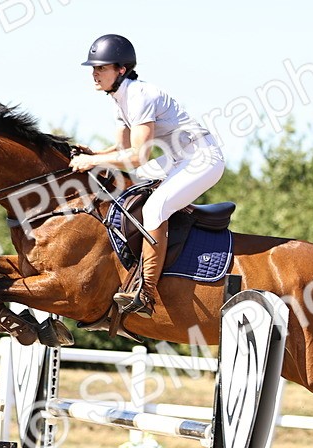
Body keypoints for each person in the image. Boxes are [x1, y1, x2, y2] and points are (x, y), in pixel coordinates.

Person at [69, 34, 225, 318]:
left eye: (100, 68)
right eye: (93, 68)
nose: (94, 73)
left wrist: (92, 161)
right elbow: (121, 149)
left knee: (153, 208)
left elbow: (138, 156)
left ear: (121, 70)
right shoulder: (119, 99)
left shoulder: (141, 96)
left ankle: (146, 292)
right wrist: (94, 154)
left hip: (202, 158)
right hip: (178, 157)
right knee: (130, 185)